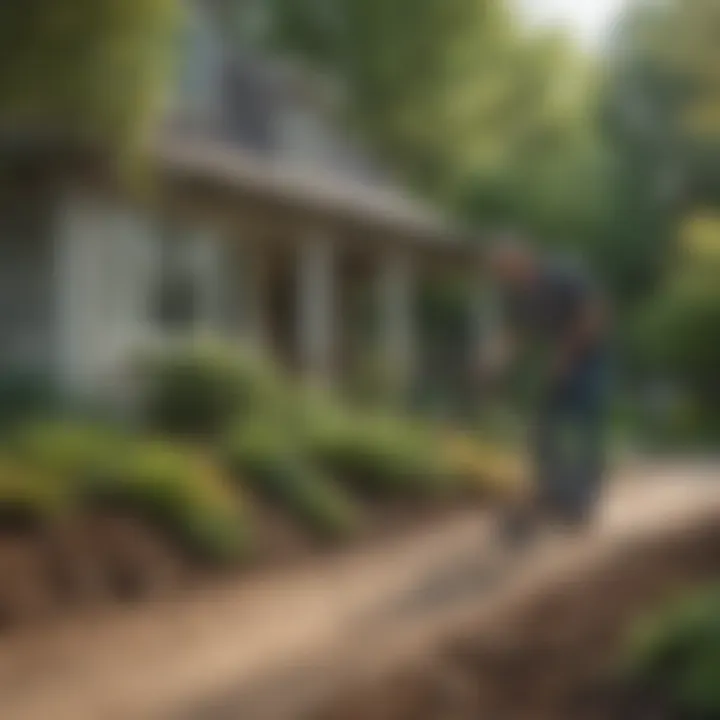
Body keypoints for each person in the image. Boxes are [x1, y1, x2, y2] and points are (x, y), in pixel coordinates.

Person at [481, 234, 610, 540]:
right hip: (556, 361)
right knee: (543, 428)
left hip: (589, 360)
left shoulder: (564, 276)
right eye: (499, 272)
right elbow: (513, 333)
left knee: (583, 427)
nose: (503, 277)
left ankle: (582, 499)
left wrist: (568, 354)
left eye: (505, 269)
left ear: (524, 260)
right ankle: (554, 493)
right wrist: (491, 362)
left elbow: (593, 314)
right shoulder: (518, 294)